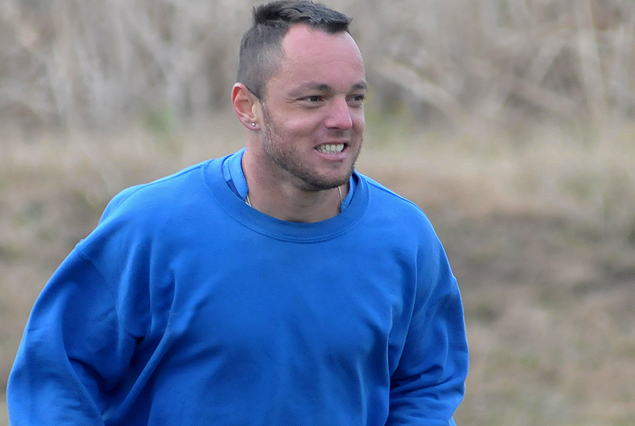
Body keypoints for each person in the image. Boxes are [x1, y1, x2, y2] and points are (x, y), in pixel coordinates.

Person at [7, 1, 469, 425]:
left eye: (355, 98)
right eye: (314, 98)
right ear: (248, 107)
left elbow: (425, 388)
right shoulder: (151, 226)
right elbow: (56, 376)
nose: (343, 120)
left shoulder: (405, 238)